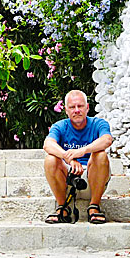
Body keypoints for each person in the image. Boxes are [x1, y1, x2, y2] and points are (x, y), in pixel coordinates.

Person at [42, 89, 113, 224]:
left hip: (94, 178)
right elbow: (47, 144)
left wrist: (82, 151)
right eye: (72, 107)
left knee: (101, 155)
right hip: (67, 180)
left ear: (87, 108)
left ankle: (94, 206)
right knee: (50, 158)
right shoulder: (60, 126)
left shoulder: (99, 124)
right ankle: (63, 207)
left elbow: (107, 140)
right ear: (66, 110)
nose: (76, 110)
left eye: (80, 106)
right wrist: (68, 157)